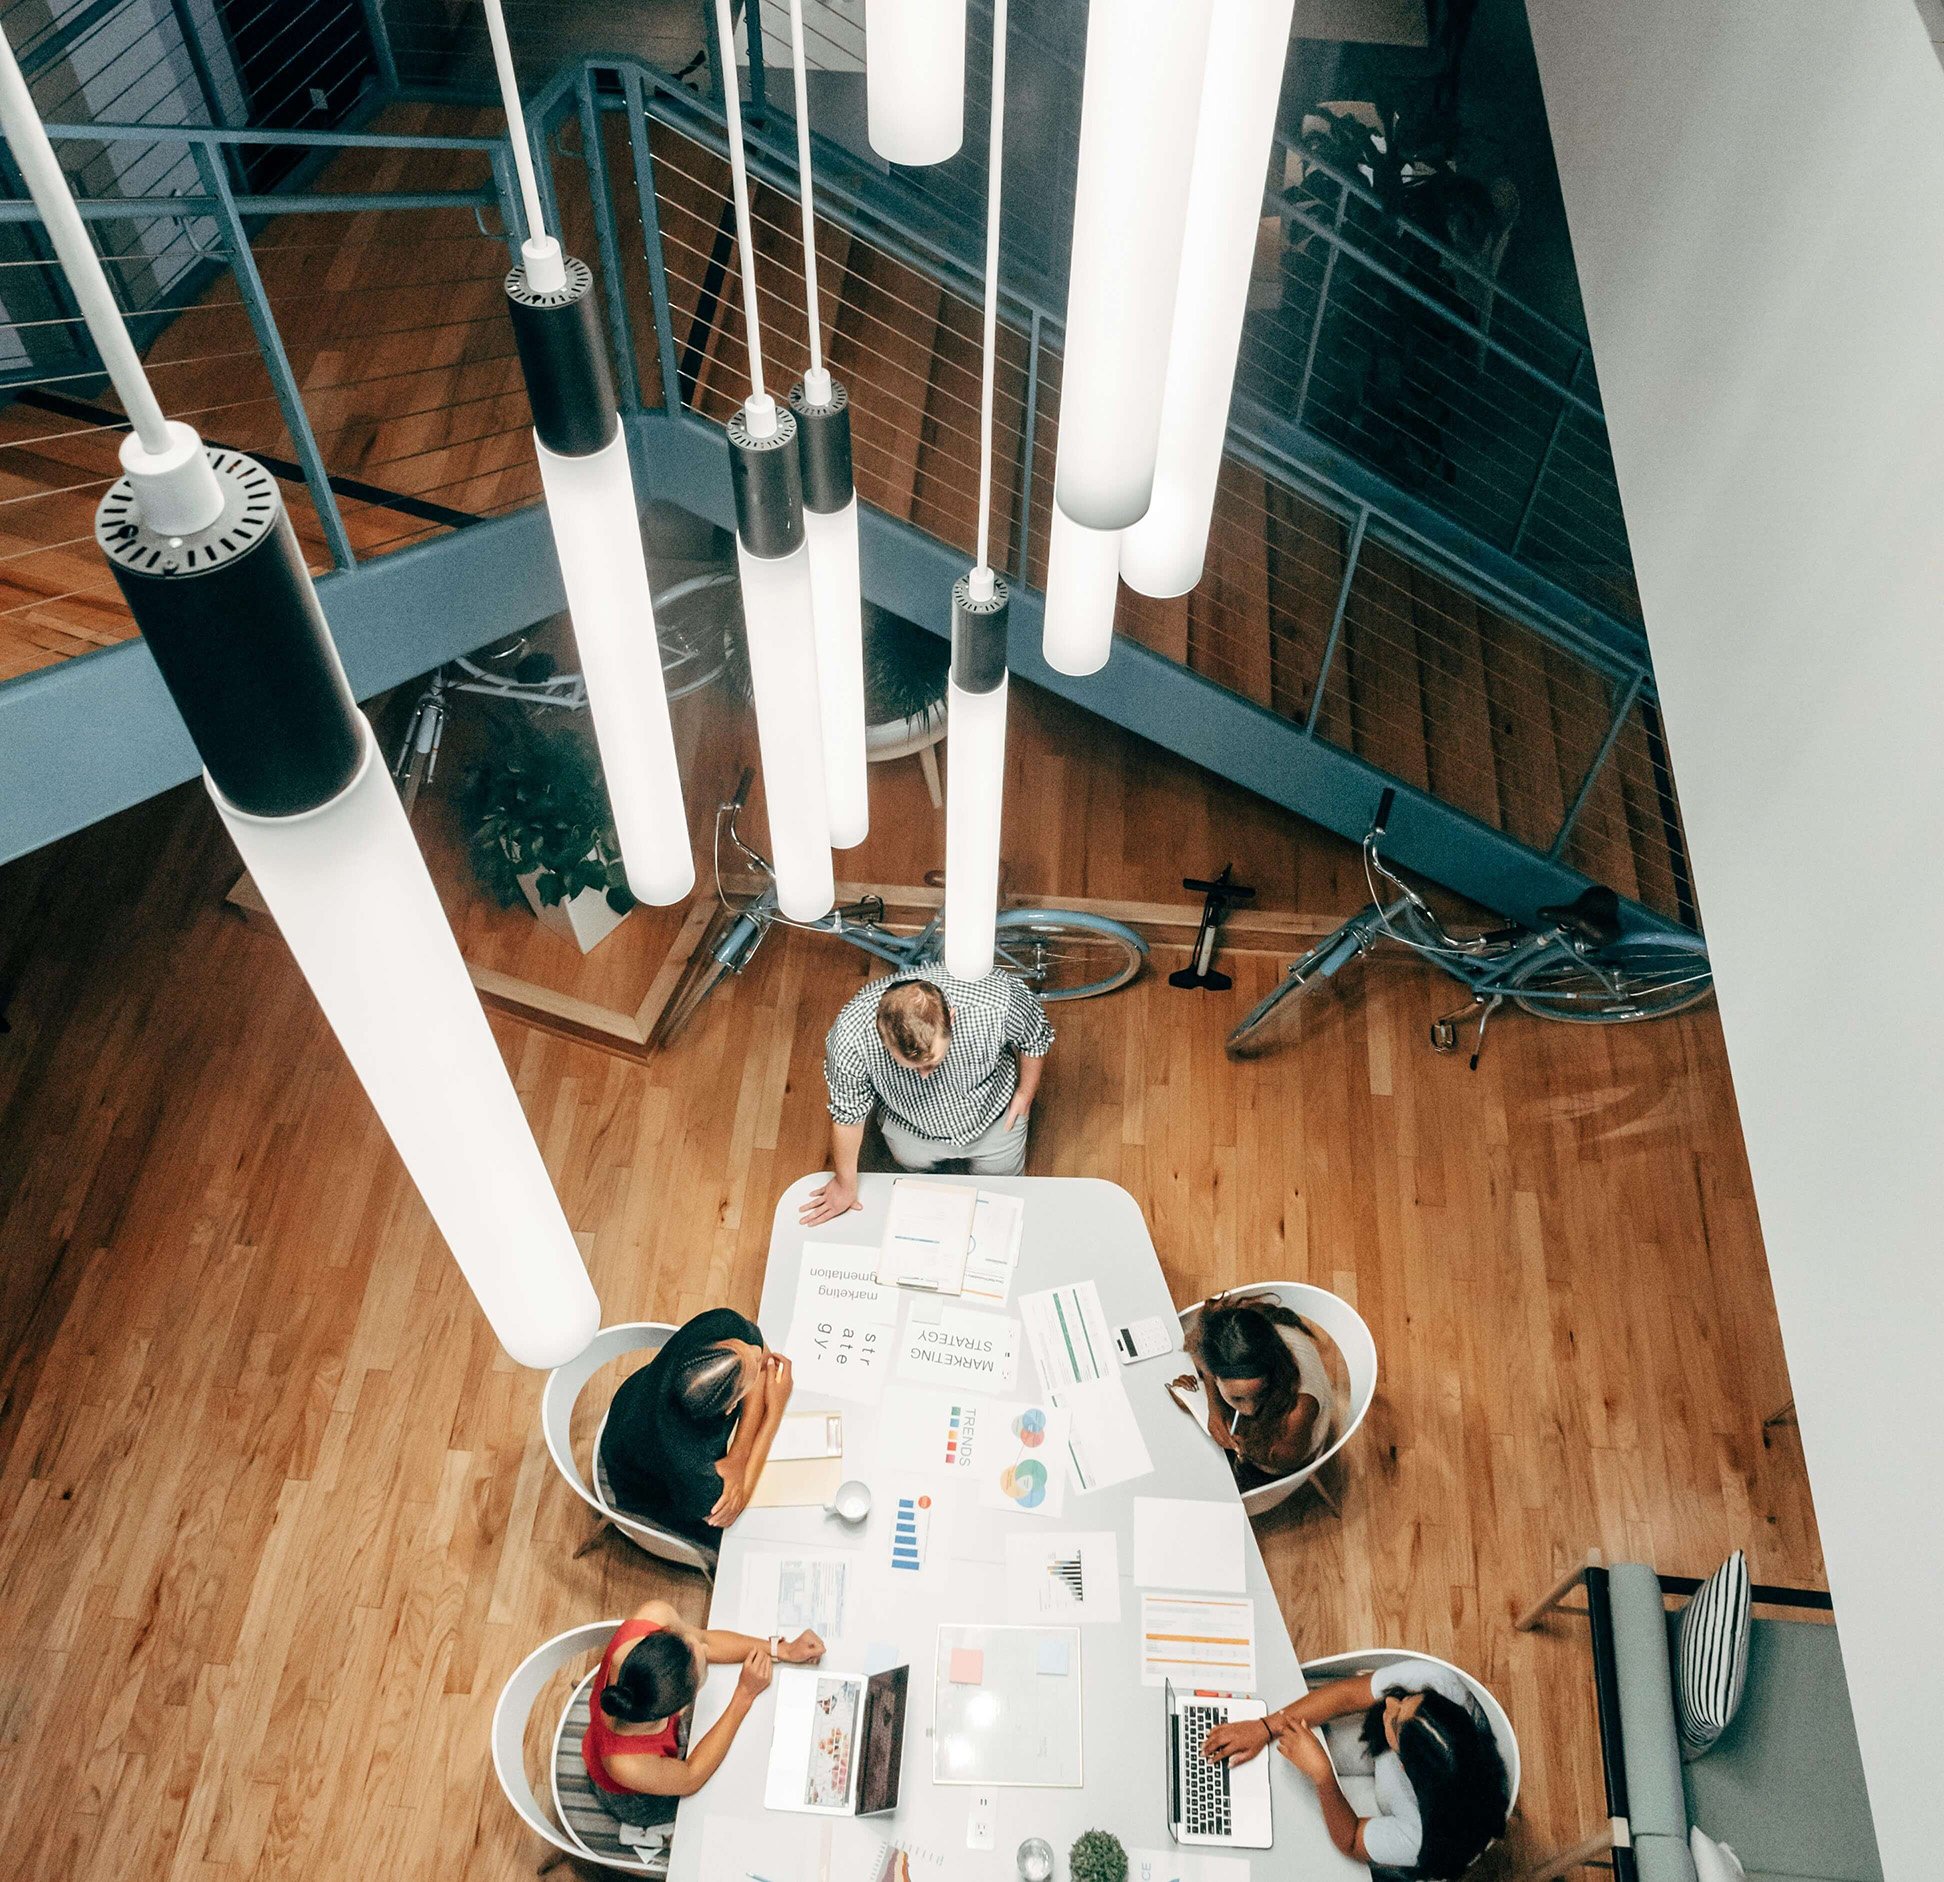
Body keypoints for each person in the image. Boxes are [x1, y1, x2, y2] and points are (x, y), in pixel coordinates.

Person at [1203, 1658, 1510, 1880]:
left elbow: (1350, 1840)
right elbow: (1349, 1695)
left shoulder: (1426, 1834)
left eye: (1395, 1718)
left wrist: (1323, 1775)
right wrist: (1265, 1728)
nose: (1389, 1702)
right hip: (1370, 1759)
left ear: (1407, 1766)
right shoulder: (1437, 1684)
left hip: (1376, 1827)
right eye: (1407, 1701)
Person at [800, 966, 1054, 1226]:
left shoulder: (996, 1000)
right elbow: (848, 1116)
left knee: (1004, 1192)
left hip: (995, 1119)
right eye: (912, 1067)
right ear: (882, 1036)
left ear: (951, 1018)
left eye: (932, 1063)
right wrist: (845, 1184)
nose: (924, 1076)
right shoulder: (850, 1039)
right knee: (920, 1193)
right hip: (908, 1128)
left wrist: (1024, 1095)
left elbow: (1035, 1037)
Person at [581, 1597, 826, 1819]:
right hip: (632, 1792)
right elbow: (691, 1776)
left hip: (644, 1748)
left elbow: (705, 1641)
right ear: (682, 1710)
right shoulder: (625, 1765)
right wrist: (744, 1695)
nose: (700, 1646)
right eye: (703, 1667)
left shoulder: (653, 1616)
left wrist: (782, 1650)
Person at [598, 1308, 792, 1544]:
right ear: (731, 1407)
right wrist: (774, 1412)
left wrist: (739, 1457)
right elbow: (729, 1511)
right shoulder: (692, 1468)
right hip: (645, 1488)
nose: (755, 1350)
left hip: (632, 1411)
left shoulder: (721, 1325)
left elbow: (764, 1360)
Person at [1177, 1290, 1340, 1486]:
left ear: (1274, 1372)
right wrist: (1214, 1405)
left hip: (1283, 1453)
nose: (1249, 1409)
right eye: (1237, 1398)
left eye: (1260, 1393)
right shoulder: (1239, 1337)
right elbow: (1201, 1358)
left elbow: (1286, 1461)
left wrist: (1238, 1445)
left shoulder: (1298, 1412)